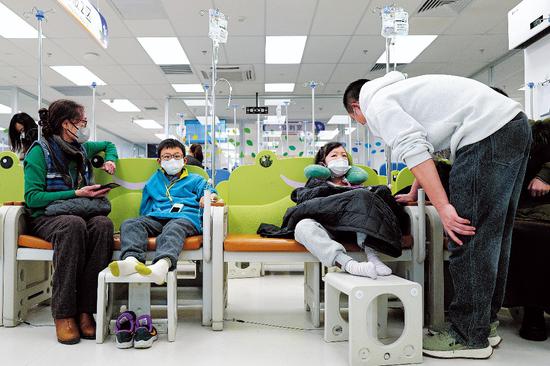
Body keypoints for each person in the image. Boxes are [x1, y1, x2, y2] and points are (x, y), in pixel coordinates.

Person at [344, 72, 531, 359]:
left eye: (355, 118)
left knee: (465, 233)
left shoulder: (377, 103)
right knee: (494, 237)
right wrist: (417, 189)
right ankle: (484, 324)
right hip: (513, 126)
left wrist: (443, 207)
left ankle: (468, 335)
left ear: (355, 107)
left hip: (486, 135)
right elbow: (429, 148)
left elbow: (415, 149)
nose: (362, 123)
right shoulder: (401, 91)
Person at [24, 99, 118, 345]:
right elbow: (33, 199)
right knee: (73, 226)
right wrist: (75, 193)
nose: (85, 126)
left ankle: (86, 310)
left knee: (102, 225)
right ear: (67, 124)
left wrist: (111, 160)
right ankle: (64, 313)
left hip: (78, 212)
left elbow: (109, 144)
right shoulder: (39, 152)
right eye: (82, 122)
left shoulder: (83, 148)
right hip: (46, 217)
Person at [109, 139, 216, 285]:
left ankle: (161, 266)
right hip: (157, 217)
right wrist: (143, 224)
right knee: (130, 223)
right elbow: (145, 207)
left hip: (185, 218)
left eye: (176, 156)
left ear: (184, 160)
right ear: (159, 161)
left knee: (173, 228)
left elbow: (211, 191)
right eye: (167, 156)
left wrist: (207, 196)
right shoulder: (154, 181)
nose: (172, 160)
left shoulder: (195, 179)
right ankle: (132, 260)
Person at [294, 142, 395, 279]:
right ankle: (351, 266)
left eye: (343, 156)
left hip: (354, 228)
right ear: (323, 164)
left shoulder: (358, 187)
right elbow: (307, 204)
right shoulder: (316, 186)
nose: (340, 159)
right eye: (334, 156)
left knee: (367, 204)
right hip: (328, 227)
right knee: (302, 227)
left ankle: (373, 257)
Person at [504, 118, 550, 341]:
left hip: (533, 211)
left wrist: (545, 175)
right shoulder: (522, 131)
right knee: (528, 235)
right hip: (525, 211)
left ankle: (534, 314)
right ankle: (533, 312)